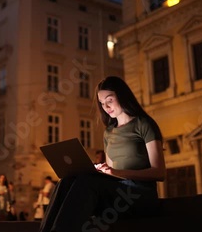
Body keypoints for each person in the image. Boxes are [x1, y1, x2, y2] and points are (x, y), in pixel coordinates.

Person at [39, 76, 166, 232]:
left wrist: (117, 172)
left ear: (122, 96)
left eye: (109, 100)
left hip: (140, 196)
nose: (106, 107)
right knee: (66, 180)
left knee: (87, 182)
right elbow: (111, 178)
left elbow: (159, 172)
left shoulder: (144, 124)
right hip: (117, 194)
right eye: (101, 103)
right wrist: (101, 171)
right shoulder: (109, 132)